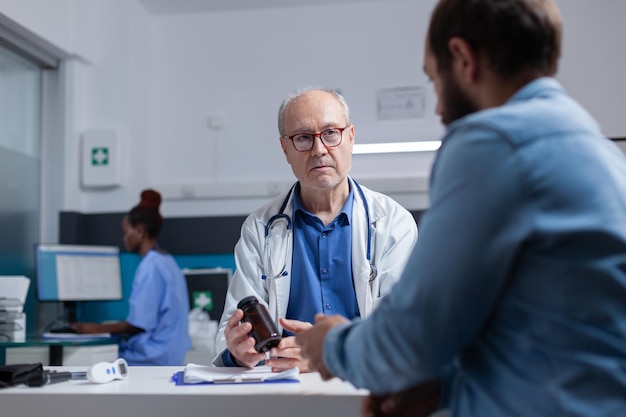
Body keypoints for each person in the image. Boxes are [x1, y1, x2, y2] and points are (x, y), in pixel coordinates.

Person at [295, 1, 626, 416]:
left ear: (463, 59)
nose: (438, 107)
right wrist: (445, 386)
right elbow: (550, 330)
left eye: (434, 79)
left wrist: (329, 345)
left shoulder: (494, 142)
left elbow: (409, 341)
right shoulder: (596, 148)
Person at [213, 88, 418, 371]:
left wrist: (330, 352)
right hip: (284, 392)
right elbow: (229, 331)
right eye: (303, 138)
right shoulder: (259, 229)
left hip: (365, 388)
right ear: (285, 148)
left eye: (331, 133)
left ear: (351, 137)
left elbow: (404, 331)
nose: (319, 149)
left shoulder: (393, 223)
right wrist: (239, 351)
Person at [73, 189, 192, 366]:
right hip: (172, 355)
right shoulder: (168, 261)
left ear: (139, 231)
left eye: (126, 231)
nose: (124, 238)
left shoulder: (150, 266)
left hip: (152, 358)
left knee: (88, 363)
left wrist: (92, 329)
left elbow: (137, 325)